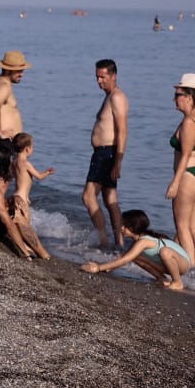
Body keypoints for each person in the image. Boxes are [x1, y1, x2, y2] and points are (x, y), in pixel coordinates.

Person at [80, 210, 189, 291]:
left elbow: (125, 260)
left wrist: (99, 268)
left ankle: (177, 282)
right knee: (135, 257)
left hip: (182, 263)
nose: (120, 227)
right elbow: (125, 257)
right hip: (169, 265)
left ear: (132, 228)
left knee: (165, 251)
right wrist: (108, 268)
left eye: (123, 225)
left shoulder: (143, 241)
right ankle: (162, 279)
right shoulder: (138, 241)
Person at [84, 59, 129, 250]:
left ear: (113, 76)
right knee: (110, 200)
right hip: (105, 152)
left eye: (102, 77)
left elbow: (122, 130)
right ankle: (119, 243)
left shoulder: (117, 97)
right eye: (97, 77)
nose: (99, 81)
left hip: (107, 153)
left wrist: (118, 160)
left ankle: (103, 240)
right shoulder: (110, 96)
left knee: (88, 197)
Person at [10, 133, 53, 260]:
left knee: (18, 223)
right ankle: (26, 247)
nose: (33, 149)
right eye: (32, 147)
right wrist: (48, 172)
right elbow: (39, 177)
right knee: (26, 226)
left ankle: (21, 243)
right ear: (27, 149)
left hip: (15, 195)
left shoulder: (14, 162)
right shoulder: (26, 164)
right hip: (22, 198)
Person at [167, 74, 195, 267]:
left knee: (182, 226)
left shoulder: (189, 122)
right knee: (192, 227)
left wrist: (175, 183)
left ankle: (191, 269)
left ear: (189, 96)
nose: (174, 98)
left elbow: (185, 154)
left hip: (186, 176)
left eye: (178, 94)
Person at [0, 50, 30, 139]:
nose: (22, 74)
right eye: (18, 71)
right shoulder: (4, 86)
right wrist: (0, 134)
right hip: (5, 141)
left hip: (2, 139)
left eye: (22, 70)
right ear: (8, 70)